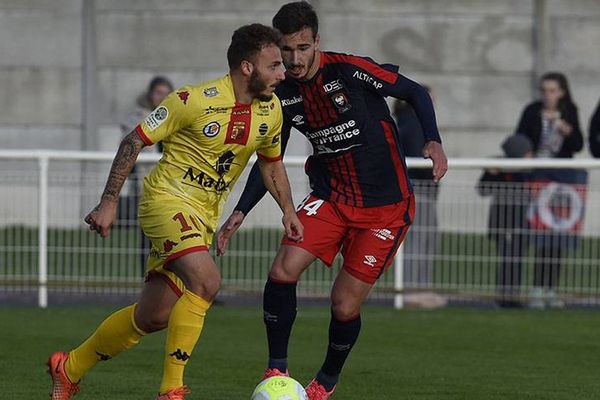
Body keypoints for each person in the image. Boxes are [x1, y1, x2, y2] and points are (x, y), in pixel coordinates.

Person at [47, 23, 303, 400]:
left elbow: (270, 164)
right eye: (275, 65)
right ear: (247, 67)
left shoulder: (272, 111)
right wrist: (109, 202)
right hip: (165, 200)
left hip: (203, 216)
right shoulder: (193, 100)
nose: (284, 73)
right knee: (207, 282)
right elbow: (134, 140)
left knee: (152, 317)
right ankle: (172, 390)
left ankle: (69, 368)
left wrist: (288, 210)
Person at [217, 2, 447, 399]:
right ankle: (277, 370)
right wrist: (240, 210)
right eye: (286, 51)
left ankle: (325, 382)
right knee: (283, 269)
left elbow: (412, 92)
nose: (294, 59)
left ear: (316, 42)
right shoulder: (280, 96)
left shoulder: (349, 70)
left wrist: (433, 140)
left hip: (385, 209)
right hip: (331, 198)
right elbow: (269, 160)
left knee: (343, 305)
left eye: (302, 48)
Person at [514, 72, 583, 308]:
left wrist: (567, 130)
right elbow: (520, 138)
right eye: (544, 90)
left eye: (552, 90)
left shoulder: (569, 110)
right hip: (538, 177)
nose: (547, 95)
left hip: (562, 178)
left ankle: (552, 288)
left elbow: (578, 145)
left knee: (558, 235)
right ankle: (537, 288)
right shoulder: (532, 110)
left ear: (562, 91)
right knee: (540, 233)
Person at [477, 135, 533, 308]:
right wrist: (491, 172)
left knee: (516, 260)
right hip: (504, 223)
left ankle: (512, 295)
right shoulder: (502, 170)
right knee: (508, 260)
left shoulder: (525, 172)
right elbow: (483, 189)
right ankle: (505, 296)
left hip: (521, 223)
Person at [393, 89, 439, 289]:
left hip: (418, 188)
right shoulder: (413, 124)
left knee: (423, 240)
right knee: (419, 241)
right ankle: (414, 289)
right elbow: (416, 157)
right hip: (419, 189)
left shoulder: (406, 122)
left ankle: (419, 287)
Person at [118, 75, 174, 226]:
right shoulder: (138, 117)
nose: (162, 98)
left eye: (166, 94)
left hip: (170, 179)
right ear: (150, 94)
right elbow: (128, 145)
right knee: (150, 224)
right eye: (158, 93)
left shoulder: (175, 116)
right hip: (146, 178)